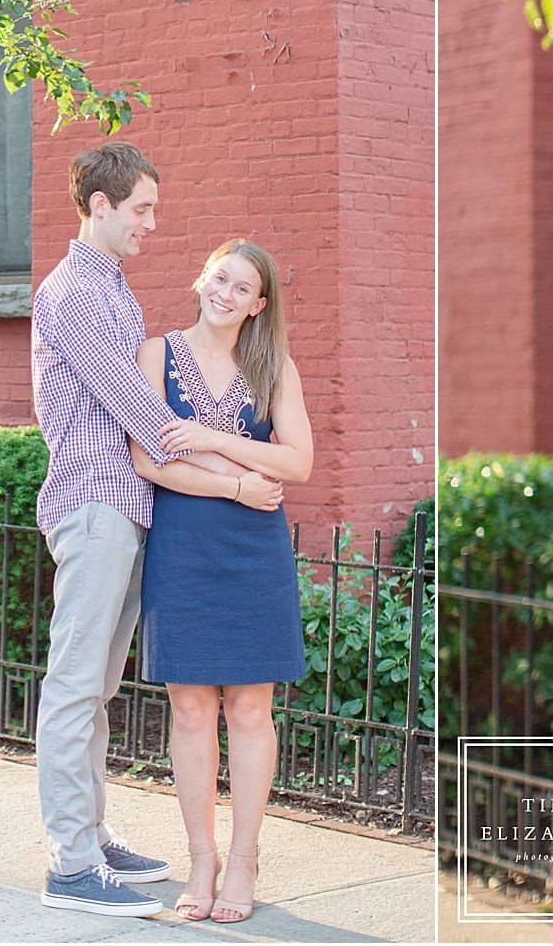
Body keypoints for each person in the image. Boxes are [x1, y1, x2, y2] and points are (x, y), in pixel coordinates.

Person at [32, 141, 257, 919]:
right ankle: (69, 863)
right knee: (73, 685)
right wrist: (237, 472)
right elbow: (143, 414)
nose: (153, 224)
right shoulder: (74, 294)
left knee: (98, 686)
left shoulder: (114, 290)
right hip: (93, 504)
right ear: (100, 205)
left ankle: (91, 836)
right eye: (142, 210)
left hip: (124, 509)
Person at [131, 238, 313, 925]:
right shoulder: (158, 354)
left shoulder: (273, 367)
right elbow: (149, 460)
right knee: (190, 709)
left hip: (254, 554)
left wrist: (207, 438)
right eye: (219, 278)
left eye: (242, 288)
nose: (226, 294)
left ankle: (244, 859)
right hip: (186, 545)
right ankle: (200, 859)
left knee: (248, 709)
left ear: (259, 304)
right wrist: (238, 482)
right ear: (201, 279)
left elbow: (297, 463)